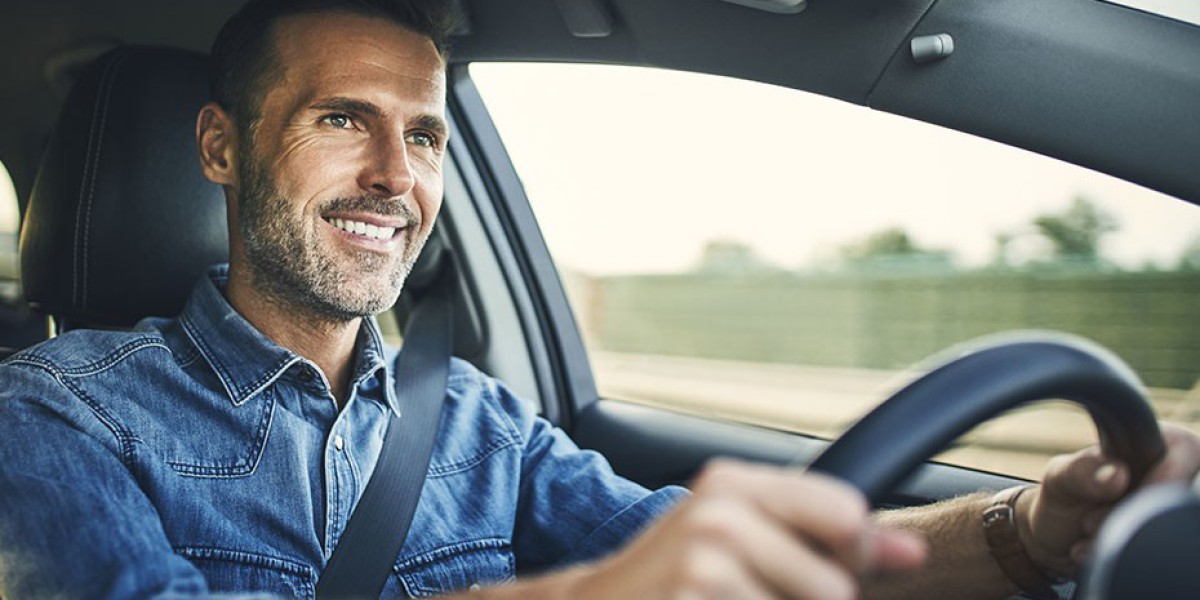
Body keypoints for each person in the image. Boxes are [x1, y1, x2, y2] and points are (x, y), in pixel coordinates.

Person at [1, 0, 1197, 598]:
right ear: (222, 147)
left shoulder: (471, 418)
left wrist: (1021, 529)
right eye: (339, 120)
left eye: (423, 136)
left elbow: (725, 560)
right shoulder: (55, 413)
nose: (393, 177)